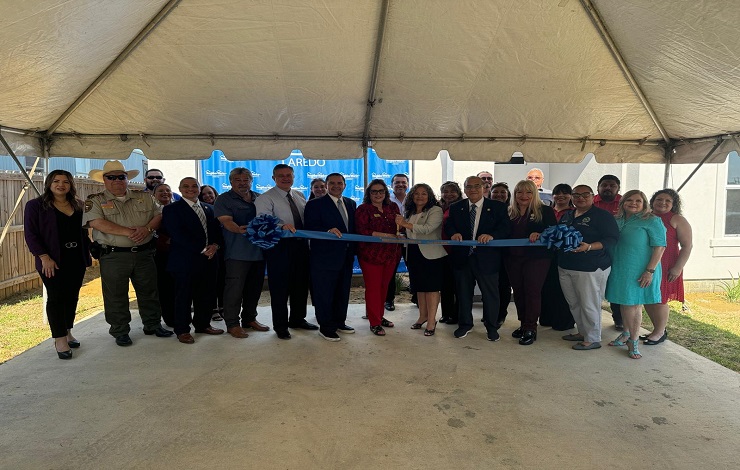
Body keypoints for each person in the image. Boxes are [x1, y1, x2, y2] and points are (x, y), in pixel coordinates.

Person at [83, 160, 173, 346]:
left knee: (149, 291)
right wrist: (130, 232)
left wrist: (147, 229)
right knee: (116, 295)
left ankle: (152, 324)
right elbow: (96, 223)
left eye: (121, 177)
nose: (117, 180)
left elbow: (159, 214)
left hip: (144, 254)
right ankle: (120, 330)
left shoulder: (145, 197)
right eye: (111, 177)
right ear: (104, 180)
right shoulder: (96, 200)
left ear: (126, 179)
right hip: (114, 256)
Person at [24, 170, 91, 359]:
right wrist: (44, 257)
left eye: (65, 182)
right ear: (49, 183)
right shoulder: (35, 206)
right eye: (56, 181)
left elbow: (83, 233)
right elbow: (31, 235)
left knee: (72, 296)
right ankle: (59, 338)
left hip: (76, 258)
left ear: (71, 185)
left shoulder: (78, 205)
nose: (61, 185)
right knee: (56, 297)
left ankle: (68, 330)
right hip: (51, 260)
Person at [255, 164, 318, 339]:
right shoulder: (265, 198)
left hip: (301, 246)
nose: (285, 178)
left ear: (293, 176)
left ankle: (297, 319)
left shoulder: (299, 195)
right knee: (280, 288)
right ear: (273, 178)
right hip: (279, 247)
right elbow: (263, 221)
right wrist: (282, 225)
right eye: (281, 175)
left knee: (300, 285)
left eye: (288, 175)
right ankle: (280, 326)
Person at [444, 176, 510, 341]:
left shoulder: (497, 207)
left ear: (484, 188)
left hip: (487, 259)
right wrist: (453, 233)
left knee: (490, 295)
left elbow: (505, 227)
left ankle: (492, 327)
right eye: (469, 186)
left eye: (477, 186)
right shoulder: (456, 207)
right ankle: (465, 324)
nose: (472, 189)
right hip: (462, 258)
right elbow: (449, 224)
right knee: (463, 293)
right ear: (464, 189)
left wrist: (492, 235)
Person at [162, 178, 225, 344]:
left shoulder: (210, 208)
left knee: (206, 294)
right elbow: (178, 235)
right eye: (186, 186)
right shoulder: (171, 210)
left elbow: (217, 232)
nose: (190, 189)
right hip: (184, 261)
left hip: (210, 260)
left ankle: (203, 324)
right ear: (180, 189)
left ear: (199, 188)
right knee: (184, 296)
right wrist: (203, 249)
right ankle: (182, 329)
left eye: (194, 186)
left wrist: (215, 246)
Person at [605, 190, 667, 359]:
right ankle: (625, 333)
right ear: (622, 203)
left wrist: (649, 271)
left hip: (641, 269)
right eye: (629, 200)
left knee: (634, 304)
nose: (633, 203)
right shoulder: (617, 220)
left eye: (638, 201)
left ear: (644, 204)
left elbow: (660, 246)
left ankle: (633, 341)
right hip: (621, 267)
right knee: (625, 303)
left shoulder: (652, 220)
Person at [558, 185, 619, 351]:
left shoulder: (602, 216)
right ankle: (583, 332)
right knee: (574, 303)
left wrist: (590, 247)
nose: (580, 198)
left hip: (591, 267)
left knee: (589, 303)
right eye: (576, 195)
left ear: (593, 196)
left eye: (585, 195)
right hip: (566, 265)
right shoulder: (568, 215)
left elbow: (612, 239)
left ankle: (592, 338)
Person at [214, 168, 269, 339]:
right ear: (231, 182)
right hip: (237, 252)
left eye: (246, 179)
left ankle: (249, 319)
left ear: (251, 181)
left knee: (254, 289)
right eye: (238, 180)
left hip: (259, 252)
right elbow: (226, 222)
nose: (242, 183)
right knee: (234, 290)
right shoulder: (224, 199)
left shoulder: (260, 198)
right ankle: (232, 323)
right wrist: (238, 229)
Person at [304, 173, 356, 341]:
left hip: (346, 255)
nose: (336, 186)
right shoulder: (314, 204)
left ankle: (339, 321)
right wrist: (327, 232)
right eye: (332, 183)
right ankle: (326, 327)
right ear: (326, 185)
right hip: (324, 257)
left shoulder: (351, 203)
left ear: (345, 185)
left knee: (342, 290)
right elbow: (310, 227)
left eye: (339, 183)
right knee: (324, 292)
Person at [504, 180, 557, 345]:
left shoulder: (545, 211)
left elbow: (554, 231)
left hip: (537, 258)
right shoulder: (509, 212)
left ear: (534, 194)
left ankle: (531, 328)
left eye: (528, 192)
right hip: (512, 258)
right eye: (519, 192)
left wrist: (540, 233)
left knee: (532, 292)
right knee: (518, 292)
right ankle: (523, 324)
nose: (523, 196)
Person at [642, 189, 693, 345]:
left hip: (667, 264)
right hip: (647, 262)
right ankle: (657, 329)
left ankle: (660, 332)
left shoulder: (677, 219)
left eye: (667, 201)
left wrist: (678, 268)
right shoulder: (646, 217)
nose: (662, 203)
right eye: (659, 199)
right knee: (648, 297)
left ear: (673, 204)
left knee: (660, 298)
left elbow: (687, 246)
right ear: (652, 201)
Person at [396, 183, 447, 336]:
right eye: (416, 193)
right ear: (412, 196)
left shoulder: (436, 210)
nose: (420, 196)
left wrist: (405, 224)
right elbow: (411, 232)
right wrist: (402, 233)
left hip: (432, 254)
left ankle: (431, 321)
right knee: (419, 286)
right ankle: (422, 316)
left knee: (431, 287)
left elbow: (427, 229)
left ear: (429, 195)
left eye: (424, 193)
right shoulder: (410, 210)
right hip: (413, 252)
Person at [355, 179, 401, 336]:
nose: (378, 194)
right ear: (369, 193)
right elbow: (362, 231)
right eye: (374, 191)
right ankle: (374, 322)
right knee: (374, 288)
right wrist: (386, 235)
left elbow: (399, 227)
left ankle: (379, 316)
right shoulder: (363, 209)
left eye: (381, 191)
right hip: (370, 255)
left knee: (384, 287)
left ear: (386, 193)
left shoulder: (393, 207)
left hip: (391, 255)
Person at [539, 183, 576, 331]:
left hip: (565, 256)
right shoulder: (546, 211)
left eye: (565, 193)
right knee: (546, 288)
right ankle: (546, 318)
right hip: (545, 256)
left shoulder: (573, 213)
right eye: (557, 193)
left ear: (570, 196)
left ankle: (563, 321)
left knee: (563, 290)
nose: (561, 196)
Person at [593, 174, 624, 330]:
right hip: (594, 250)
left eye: (612, 185)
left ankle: (619, 319)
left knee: (616, 284)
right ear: (598, 187)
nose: (608, 188)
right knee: (594, 288)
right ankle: (591, 321)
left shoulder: (624, 203)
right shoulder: (591, 202)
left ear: (618, 188)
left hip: (618, 251)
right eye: (604, 185)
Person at [199, 185, 225, 321]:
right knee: (210, 282)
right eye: (204, 195)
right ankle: (213, 308)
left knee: (222, 280)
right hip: (207, 250)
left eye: (210, 193)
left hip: (223, 249)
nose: (208, 196)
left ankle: (222, 307)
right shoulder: (202, 209)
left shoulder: (223, 207)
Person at [439, 181, 463, 324]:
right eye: (445, 191)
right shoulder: (438, 207)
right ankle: (446, 313)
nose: (449, 194)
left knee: (458, 285)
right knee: (445, 284)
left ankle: (457, 314)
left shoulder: (462, 207)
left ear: (459, 193)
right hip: (441, 251)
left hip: (456, 250)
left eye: (452, 191)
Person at [489, 182, 513, 327]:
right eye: (495, 192)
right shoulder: (485, 210)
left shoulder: (512, 210)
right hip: (489, 254)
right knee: (490, 286)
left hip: (508, 254)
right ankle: (490, 314)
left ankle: (501, 314)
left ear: (508, 195)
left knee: (504, 285)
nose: (499, 195)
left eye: (502, 192)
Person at [152, 184, 176, 328]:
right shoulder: (151, 210)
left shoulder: (177, 209)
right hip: (158, 255)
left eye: (168, 190)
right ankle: (168, 317)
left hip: (177, 253)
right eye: (161, 191)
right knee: (164, 287)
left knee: (177, 286)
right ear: (154, 194)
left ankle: (178, 314)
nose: (165, 193)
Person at [385, 173, 409, 311]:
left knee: (415, 271)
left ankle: (417, 298)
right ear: (392, 185)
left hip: (410, 241)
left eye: (403, 182)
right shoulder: (387, 200)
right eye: (397, 182)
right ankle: (389, 300)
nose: (400, 185)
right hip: (391, 241)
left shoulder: (412, 199)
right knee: (391, 272)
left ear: (407, 184)